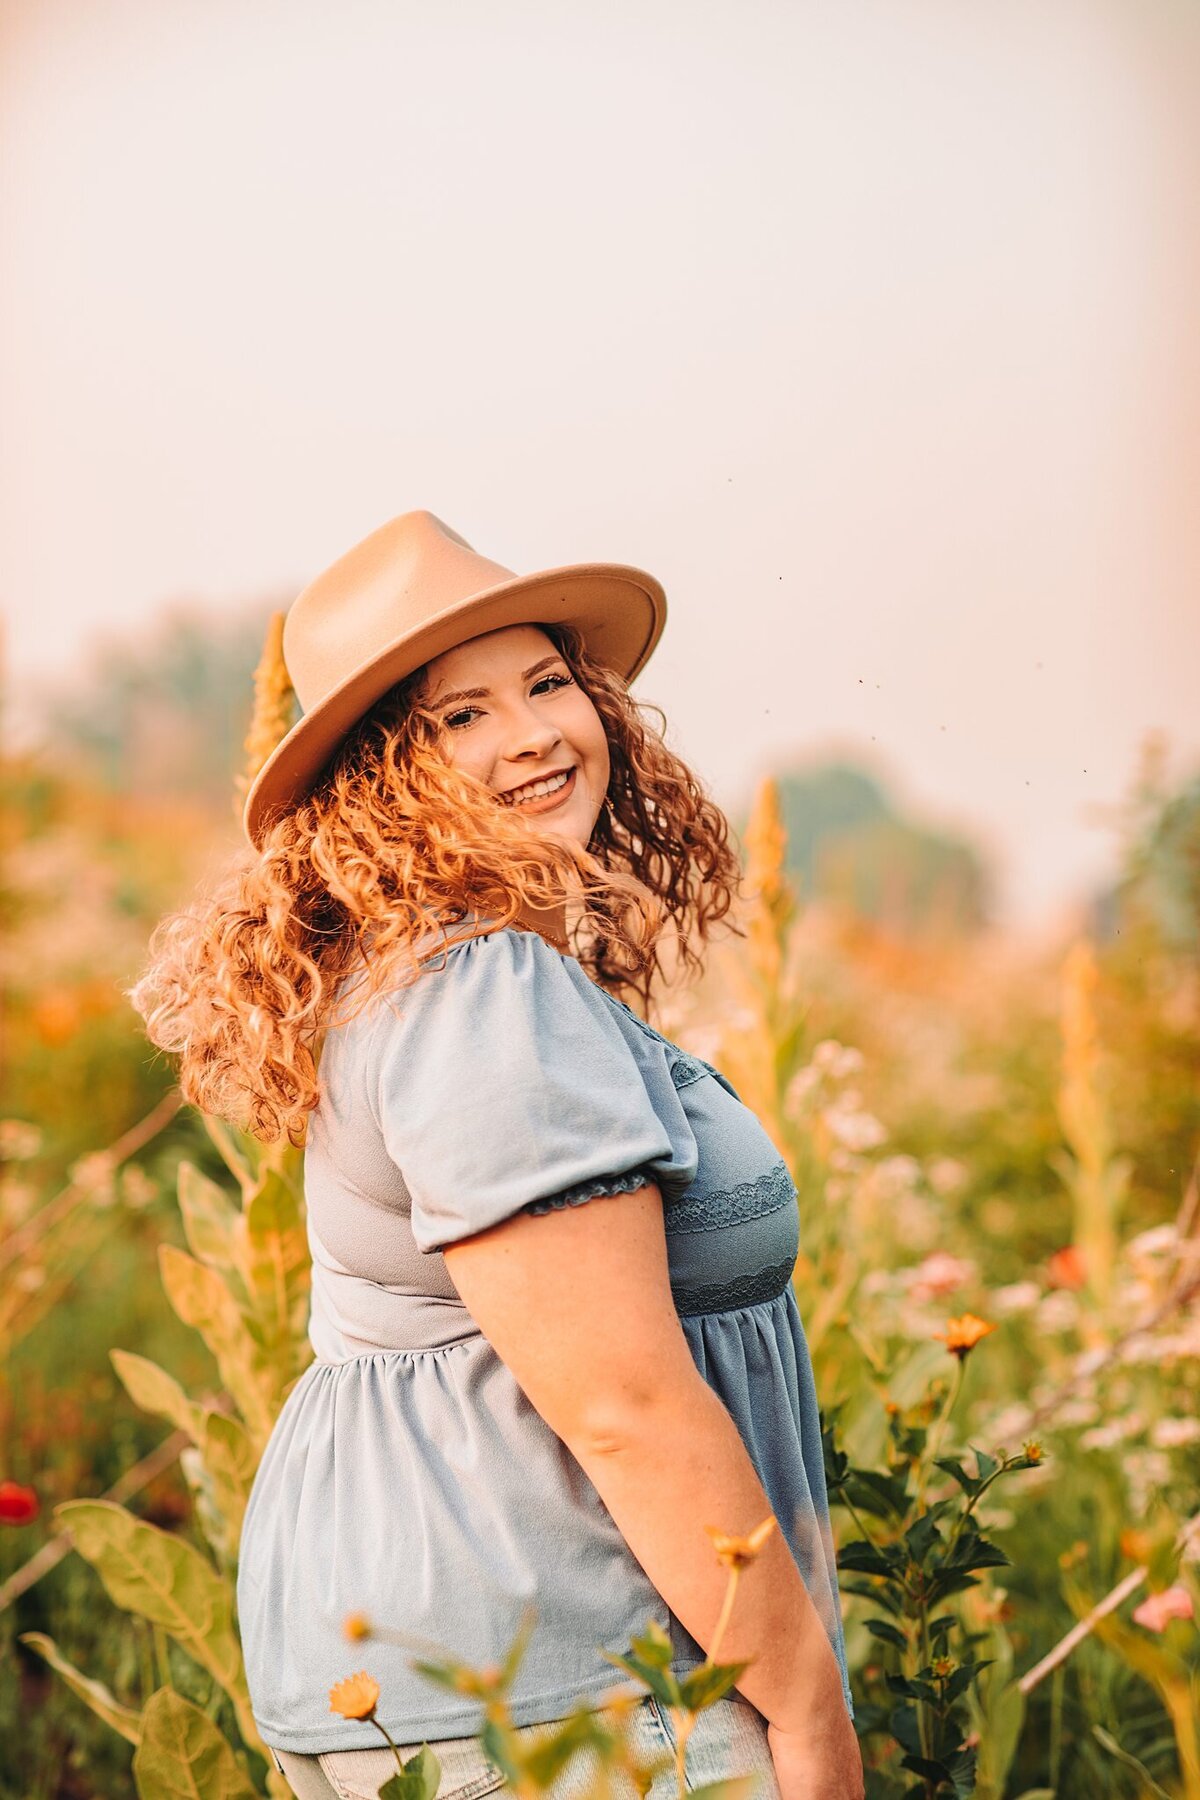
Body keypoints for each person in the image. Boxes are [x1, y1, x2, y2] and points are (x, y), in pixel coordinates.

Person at [134, 510, 864, 1800]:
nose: (533, 733)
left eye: (544, 684)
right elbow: (625, 1406)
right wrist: (808, 1716)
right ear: (377, 779)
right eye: (458, 718)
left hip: (470, 1669)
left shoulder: (432, 972)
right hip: (560, 1689)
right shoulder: (481, 991)